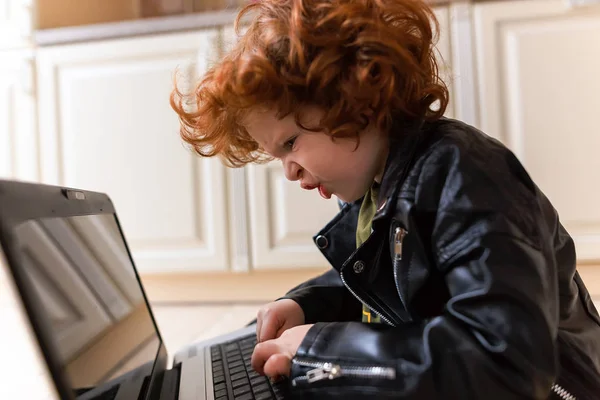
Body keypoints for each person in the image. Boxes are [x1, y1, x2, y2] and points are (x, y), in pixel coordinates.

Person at [170, 0, 600, 398]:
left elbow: (506, 361)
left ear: (356, 98)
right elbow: (394, 279)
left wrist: (325, 350)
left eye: (291, 142)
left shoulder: (465, 174)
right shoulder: (378, 188)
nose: (289, 170)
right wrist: (305, 305)